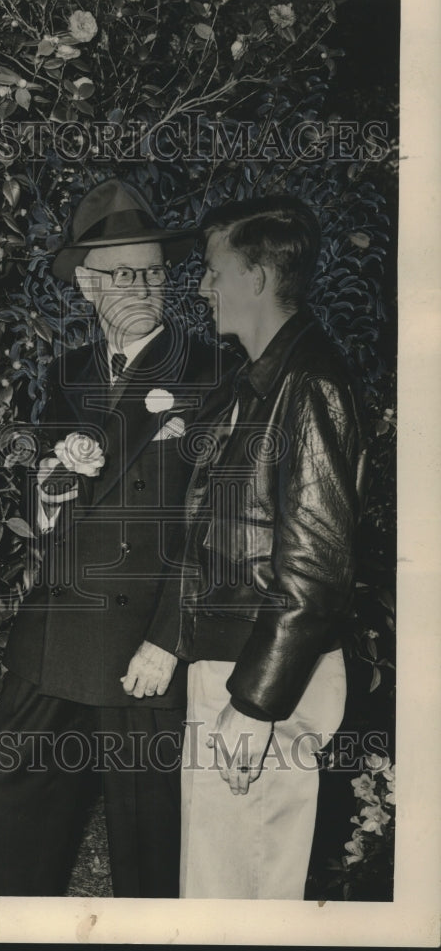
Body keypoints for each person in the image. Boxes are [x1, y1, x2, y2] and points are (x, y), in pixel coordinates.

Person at [0, 178, 221, 897]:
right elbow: (45, 502)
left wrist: (168, 639)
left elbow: (218, 524)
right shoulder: (65, 373)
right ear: (86, 284)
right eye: (122, 274)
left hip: (143, 648)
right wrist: (48, 491)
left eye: (153, 272)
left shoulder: (213, 371)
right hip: (55, 633)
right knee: (7, 838)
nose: (143, 288)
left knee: (150, 854)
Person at [162, 194, 367, 899]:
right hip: (238, 663)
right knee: (217, 888)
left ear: (254, 278)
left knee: (241, 896)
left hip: (264, 674)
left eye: (213, 270)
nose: (202, 287)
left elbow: (315, 565)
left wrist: (254, 704)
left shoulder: (308, 384)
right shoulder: (257, 382)